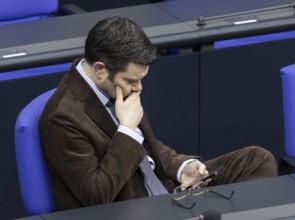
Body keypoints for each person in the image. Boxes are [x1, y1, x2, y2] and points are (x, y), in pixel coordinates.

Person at [39, 16, 277, 211]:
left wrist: (182, 167)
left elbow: (148, 149)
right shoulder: (62, 118)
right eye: (132, 80)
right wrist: (126, 131)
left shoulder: (115, 86)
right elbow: (96, 196)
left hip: (164, 190)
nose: (138, 88)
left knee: (257, 160)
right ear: (101, 69)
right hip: (134, 208)